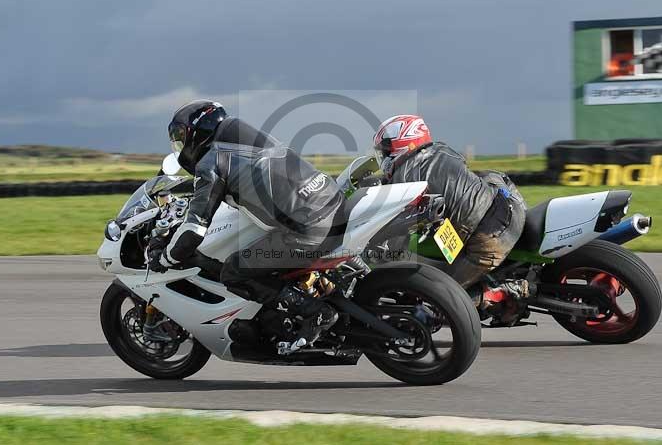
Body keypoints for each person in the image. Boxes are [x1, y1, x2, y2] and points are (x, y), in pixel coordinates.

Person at [147, 100, 345, 353]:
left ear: (198, 131)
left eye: (181, 136)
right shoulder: (248, 138)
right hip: (332, 201)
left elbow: (194, 230)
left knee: (234, 271)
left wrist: (166, 258)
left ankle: (315, 312)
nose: (181, 144)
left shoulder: (212, 163)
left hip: (308, 229)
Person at [372, 114, 528, 301]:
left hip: (489, 236)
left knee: (440, 296)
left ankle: (505, 292)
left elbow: (398, 221)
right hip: (508, 203)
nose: (385, 156)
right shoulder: (443, 149)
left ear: (403, 142)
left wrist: (378, 238)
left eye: (387, 150)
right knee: (488, 176)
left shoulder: (405, 176)